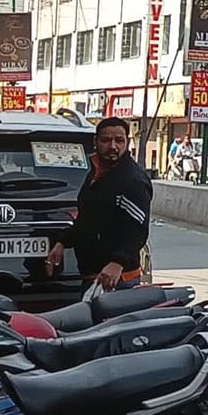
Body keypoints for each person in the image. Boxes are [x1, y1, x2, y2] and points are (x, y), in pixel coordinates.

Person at [48, 117, 152, 290]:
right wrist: (62, 242)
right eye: (106, 140)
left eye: (119, 140)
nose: (113, 146)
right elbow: (88, 220)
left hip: (117, 279)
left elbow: (138, 230)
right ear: (95, 142)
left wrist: (118, 263)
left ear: (127, 142)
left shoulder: (132, 180)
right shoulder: (97, 174)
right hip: (92, 276)